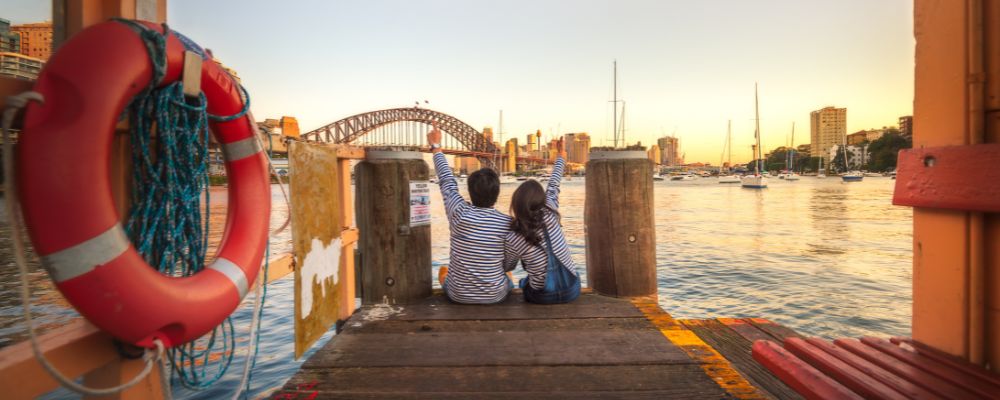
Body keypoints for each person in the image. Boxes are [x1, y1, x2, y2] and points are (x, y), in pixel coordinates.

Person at [428, 124, 513, 304]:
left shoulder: (458, 213)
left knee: (444, 271)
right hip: (495, 296)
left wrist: (436, 146)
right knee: (508, 273)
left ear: (470, 191)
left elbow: (447, 181)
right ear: (496, 194)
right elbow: (509, 260)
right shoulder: (507, 222)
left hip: (458, 295)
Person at [503, 139, 581, 304]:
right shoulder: (551, 211)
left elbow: (508, 267)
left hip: (542, 297)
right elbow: (554, 184)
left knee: (524, 283)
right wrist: (561, 156)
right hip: (572, 291)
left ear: (517, 204)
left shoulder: (514, 236)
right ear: (542, 199)